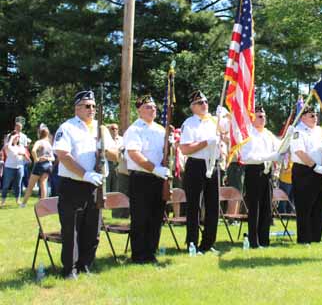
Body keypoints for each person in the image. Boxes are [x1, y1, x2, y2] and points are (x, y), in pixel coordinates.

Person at [53, 90, 118, 278]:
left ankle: (86, 265)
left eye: (94, 106)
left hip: (95, 185)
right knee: (71, 229)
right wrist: (85, 174)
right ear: (77, 108)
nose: (92, 110)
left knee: (92, 228)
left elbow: (116, 155)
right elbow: (63, 156)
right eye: (87, 106)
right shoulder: (67, 128)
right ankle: (70, 270)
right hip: (73, 185)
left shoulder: (102, 128)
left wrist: (104, 148)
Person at [122, 95, 169, 264]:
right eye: (148, 107)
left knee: (156, 217)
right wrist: (154, 169)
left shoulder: (160, 129)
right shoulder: (135, 130)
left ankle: (151, 252)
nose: (153, 109)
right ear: (139, 110)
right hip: (141, 178)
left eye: (154, 107)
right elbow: (134, 154)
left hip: (158, 178)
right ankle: (139, 255)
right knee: (140, 217)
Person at [179, 90, 223, 254]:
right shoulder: (189, 123)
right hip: (196, 165)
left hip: (213, 164)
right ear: (192, 107)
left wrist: (226, 117)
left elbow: (228, 133)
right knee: (194, 206)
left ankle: (208, 243)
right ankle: (192, 242)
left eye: (205, 102)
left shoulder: (213, 121)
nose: (204, 105)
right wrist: (206, 143)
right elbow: (185, 149)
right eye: (199, 103)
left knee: (212, 206)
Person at [290, 106, 322, 244]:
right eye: (311, 115)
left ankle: (316, 238)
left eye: (315, 115)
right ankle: (304, 240)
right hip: (304, 172)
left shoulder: (320, 130)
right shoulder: (298, 132)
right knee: (305, 207)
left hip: (321, 172)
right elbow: (299, 152)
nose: (315, 117)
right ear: (303, 117)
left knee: (320, 206)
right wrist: (315, 167)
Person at [239, 105, 281, 248]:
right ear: (252, 118)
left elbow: (280, 148)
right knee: (255, 208)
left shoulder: (268, 134)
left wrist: (289, 137)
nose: (263, 119)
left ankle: (264, 240)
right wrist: (270, 156)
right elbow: (248, 157)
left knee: (266, 208)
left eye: (264, 116)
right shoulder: (248, 134)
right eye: (259, 116)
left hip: (267, 173)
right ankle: (254, 241)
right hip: (254, 171)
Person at [21, 124, 55, 207]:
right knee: (43, 184)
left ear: (39, 134)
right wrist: (47, 159)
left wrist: (36, 159)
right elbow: (53, 158)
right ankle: (44, 204)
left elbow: (33, 151)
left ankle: (23, 204)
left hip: (40, 165)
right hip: (48, 165)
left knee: (30, 185)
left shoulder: (39, 142)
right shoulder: (49, 144)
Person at [1, 133, 27, 206]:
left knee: (18, 185)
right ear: (11, 138)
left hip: (19, 167)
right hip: (9, 167)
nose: (17, 139)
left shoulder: (20, 146)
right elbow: (10, 148)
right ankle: (3, 201)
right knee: (6, 185)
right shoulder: (7, 145)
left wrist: (19, 153)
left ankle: (18, 200)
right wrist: (12, 138)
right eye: (15, 137)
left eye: (18, 137)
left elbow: (23, 153)